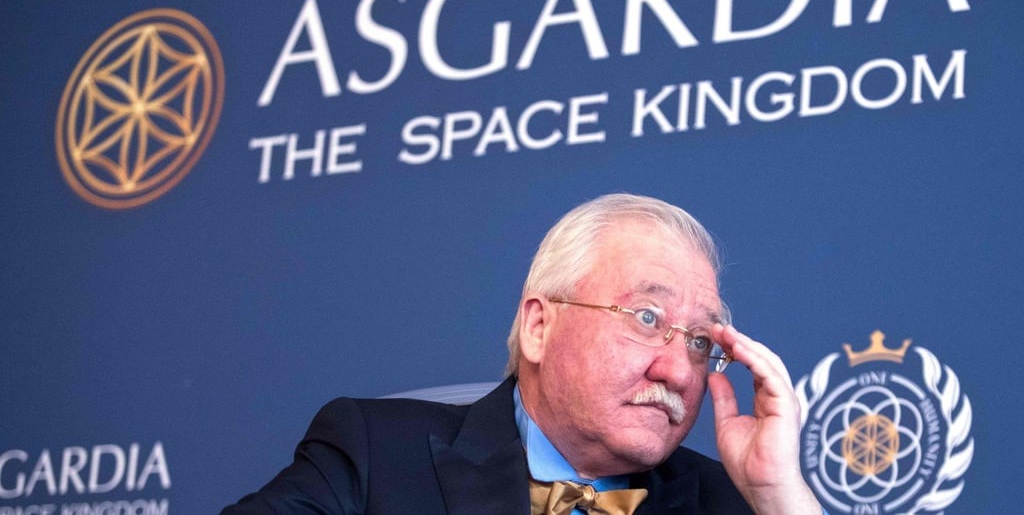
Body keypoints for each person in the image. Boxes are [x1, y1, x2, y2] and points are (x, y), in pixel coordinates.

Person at [224, 193, 823, 514]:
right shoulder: (378, 454)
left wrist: (777, 497)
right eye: (646, 318)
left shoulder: (733, 504)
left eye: (699, 341)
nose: (674, 369)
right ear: (539, 325)